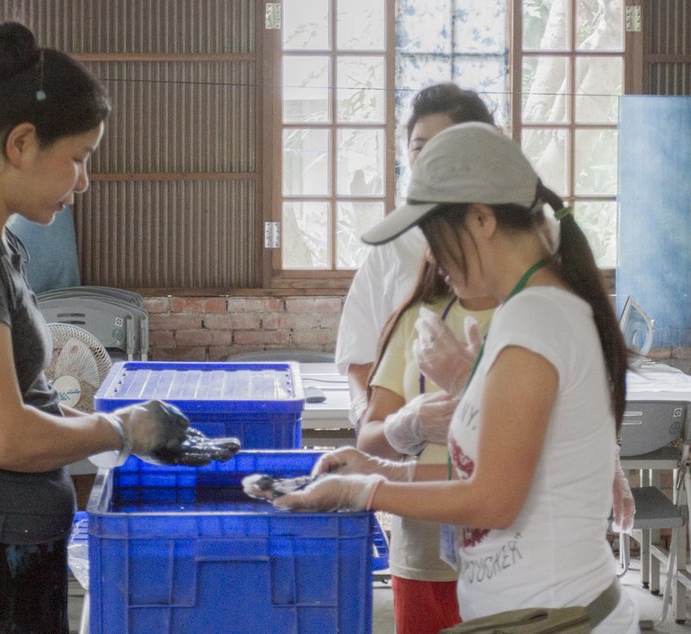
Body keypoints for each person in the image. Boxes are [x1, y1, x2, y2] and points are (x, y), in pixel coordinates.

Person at [0, 22, 226, 632]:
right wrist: (122, 429)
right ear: (22, 142)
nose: (83, 182)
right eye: (79, 159)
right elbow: (0, 437)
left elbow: (21, 404)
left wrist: (115, 427)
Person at [271, 122, 639, 631]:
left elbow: (494, 500)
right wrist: (381, 469)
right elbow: (499, 474)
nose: (437, 263)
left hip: (558, 617)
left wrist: (364, 492)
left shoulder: (537, 320)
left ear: (483, 218)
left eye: (438, 240)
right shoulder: (529, 311)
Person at [335, 84, 496, 431]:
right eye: (419, 147)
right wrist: (385, 425)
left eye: (445, 146)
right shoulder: (392, 245)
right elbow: (360, 356)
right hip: (415, 461)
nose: (429, 159)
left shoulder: (518, 250)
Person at [357, 256, 496, 633]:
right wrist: (404, 426)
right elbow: (368, 439)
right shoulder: (416, 321)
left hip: (507, 547)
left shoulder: (529, 319)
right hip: (425, 544)